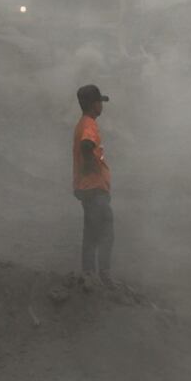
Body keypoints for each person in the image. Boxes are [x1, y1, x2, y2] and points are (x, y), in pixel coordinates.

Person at [72, 84, 114, 285]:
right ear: (93, 104)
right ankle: (103, 275)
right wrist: (94, 171)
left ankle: (88, 273)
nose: (101, 106)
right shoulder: (89, 124)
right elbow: (87, 146)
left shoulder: (83, 122)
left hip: (88, 187)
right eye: (99, 102)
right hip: (94, 188)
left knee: (91, 230)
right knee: (106, 229)